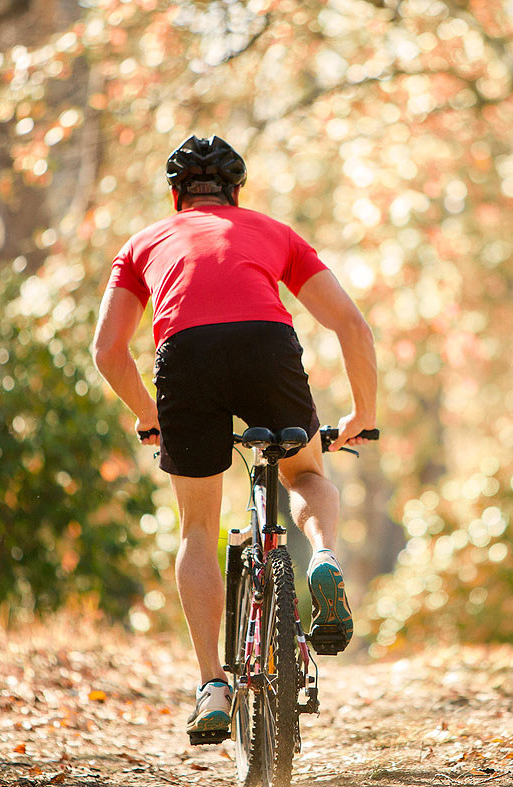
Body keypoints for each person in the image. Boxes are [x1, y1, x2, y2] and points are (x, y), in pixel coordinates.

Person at [91, 135, 378, 739]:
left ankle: (213, 686)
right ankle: (322, 556)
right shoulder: (273, 231)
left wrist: (151, 416)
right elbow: (351, 323)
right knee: (307, 475)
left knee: (198, 528)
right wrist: (362, 412)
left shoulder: (143, 243)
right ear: (236, 192)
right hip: (265, 344)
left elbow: (108, 352)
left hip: (184, 355)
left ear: (175, 195)